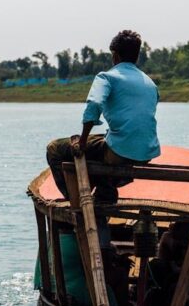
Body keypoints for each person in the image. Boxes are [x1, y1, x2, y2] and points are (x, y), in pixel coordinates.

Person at [46, 29, 161, 204]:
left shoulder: (107, 77)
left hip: (120, 151)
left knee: (55, 148)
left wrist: (82, 141)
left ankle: (75, 200)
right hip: (147, 153)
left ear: (115, 56)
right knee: (101, 146)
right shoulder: (151, 84)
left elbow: (94, 104)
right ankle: (105, 192)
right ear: (136, 57)